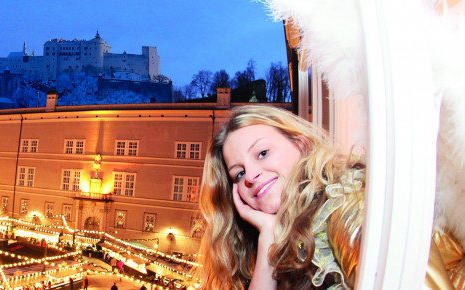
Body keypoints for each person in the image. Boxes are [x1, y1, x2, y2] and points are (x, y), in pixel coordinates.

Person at [198, 105, 463, 289]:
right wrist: (268, 235)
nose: (252, 176)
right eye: (239, 174)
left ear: (301, 145)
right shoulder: (291, 233)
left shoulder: (346, 205)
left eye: (263, 153)